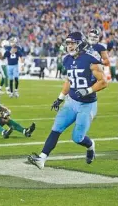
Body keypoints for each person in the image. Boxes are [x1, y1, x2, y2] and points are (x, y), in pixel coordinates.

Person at [28, 32, 108, 169]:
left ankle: (90, 146)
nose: (69, 46)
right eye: (68, 43)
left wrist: (87, 90)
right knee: (56, 128)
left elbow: (103, 82)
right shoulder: (67, 60)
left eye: (72, 43)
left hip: (87, 105)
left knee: (77, 138)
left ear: (80, 44)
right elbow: (69, 81)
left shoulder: (91, 59)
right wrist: (60, 98)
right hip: (71, 101)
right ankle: (41, 158)